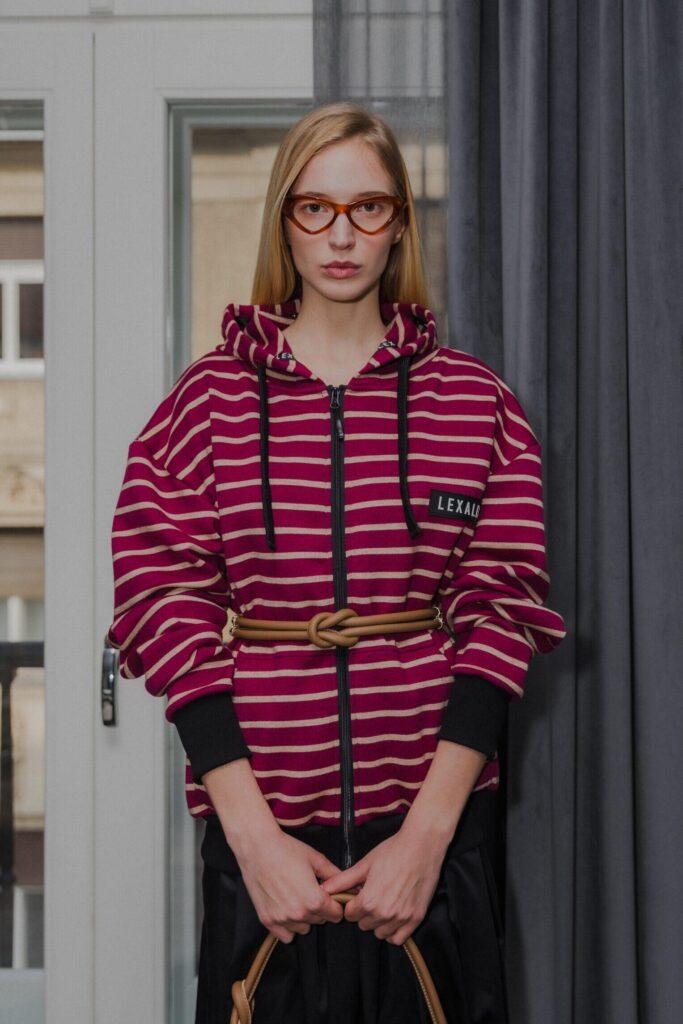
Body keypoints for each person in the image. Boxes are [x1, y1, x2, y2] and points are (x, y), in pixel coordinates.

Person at [105, 101, 567, 1023]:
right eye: (315, 208)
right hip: (266, 844)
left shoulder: (476, 403)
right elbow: (161, 605)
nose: (341, 236)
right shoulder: (204, 403)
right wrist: (253, 841)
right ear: (284, 221)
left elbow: (502, 613)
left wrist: (427, 841)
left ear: (399, 223)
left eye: (368, 207)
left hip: (431, 843)